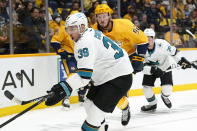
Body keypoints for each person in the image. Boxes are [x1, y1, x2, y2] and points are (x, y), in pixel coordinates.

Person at [45, 12, 133, 131]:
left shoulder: (84, 42)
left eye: (72, 29)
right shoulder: (89, 33)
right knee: (88, 104)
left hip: (118, 77)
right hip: (108, 75)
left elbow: (84, 77)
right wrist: (64, 87)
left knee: (93, 118)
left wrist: (64, 87)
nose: (69, 32)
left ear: (82, 27)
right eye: (68, 29)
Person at [92, 3, 148, 126]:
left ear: (109, 16)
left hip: (126, 60)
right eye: (99, 16)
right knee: (98, 93)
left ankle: (124, 107)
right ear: (96, 18)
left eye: (104, 16)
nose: (102, 19)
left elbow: (143, 40)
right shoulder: (93, 31)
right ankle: (102, 117)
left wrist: (139, 58)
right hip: (106, 63)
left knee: (116, 94)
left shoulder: (125, 25)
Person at [141, 28, 191, 111]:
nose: (147, 41)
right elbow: (139, 66)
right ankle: (152, 104)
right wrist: (152, 69)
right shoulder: (140, 49)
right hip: (150, 69)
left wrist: (181, 60)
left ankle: (164, 96)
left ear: (153, 38)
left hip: (165, 66)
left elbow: (175, 52)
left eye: (149, 39)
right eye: (145, 39)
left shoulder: (162, 44)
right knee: (146, 90)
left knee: (167, 90)